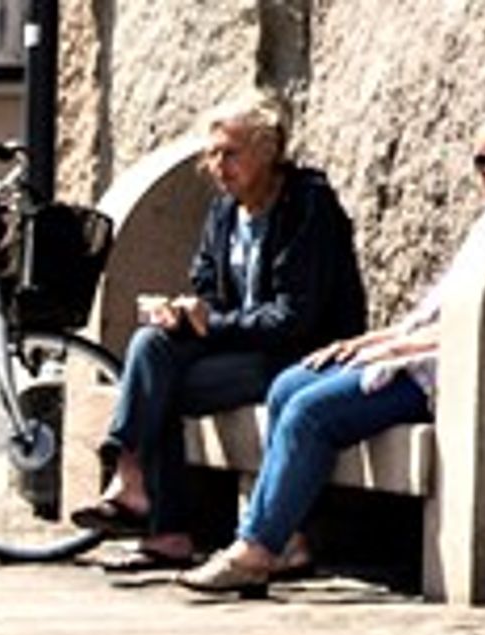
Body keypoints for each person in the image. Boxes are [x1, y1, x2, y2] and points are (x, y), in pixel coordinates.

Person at [179, 109, 485, 597]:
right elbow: (436, 314)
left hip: (450, 374)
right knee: (289, 384)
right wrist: (375, 341)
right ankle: (289, 539)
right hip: (416, 354)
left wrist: (407, 346)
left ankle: (254, 548)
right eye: (482, 162)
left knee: (310, 412)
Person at [75, 89, 366, 572]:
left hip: (300, 355)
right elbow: (209, 284)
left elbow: (296, 318)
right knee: (152, 345)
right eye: (211, 154)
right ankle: (137, 487)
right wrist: (183, 311)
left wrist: (213, 322)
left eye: (230, 153)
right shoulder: (225, 211)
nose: (217, 166)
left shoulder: (306, 205)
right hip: (244, 348)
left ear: (268, 150)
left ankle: (152, 510)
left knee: (157, 382)